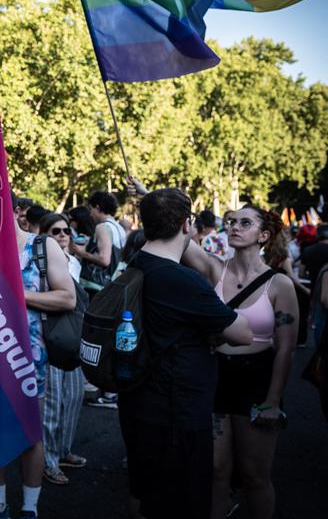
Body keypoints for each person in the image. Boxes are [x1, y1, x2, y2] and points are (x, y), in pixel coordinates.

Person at [118, 183, 252, 519]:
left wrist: (156, 201)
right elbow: (243, 334)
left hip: (138, 398)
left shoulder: (138, 261)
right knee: (180, 500)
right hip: (176, 410)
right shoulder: (182, 282)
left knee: (142, 490)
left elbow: (192, 255)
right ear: (186, 225)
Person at [179, 204, 298, 519]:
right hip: (216, 377)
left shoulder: (280, 285)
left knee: (254, 475)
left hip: (257, 381)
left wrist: (273, 400)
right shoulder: (215, 270)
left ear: (263, 235)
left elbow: (285, 349)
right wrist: (149, 197)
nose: (234, 226)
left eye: (245, 222)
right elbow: (181, 239)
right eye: (231, 221)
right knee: (216, 469)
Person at [0, 211, 76, 519]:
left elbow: (67, 298)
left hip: (30, 359)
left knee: (31, 432)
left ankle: (30, 508)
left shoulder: (41, 247)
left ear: (15, 213)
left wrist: (17, 295)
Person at [37, 213, 87, 486]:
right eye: (55, 231)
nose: (63, 235)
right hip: (51, 337)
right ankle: (49, 461)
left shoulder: (75, 263)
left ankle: (64, 450)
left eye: (66, 231)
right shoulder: (39, 262)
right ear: (44, 235)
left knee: (74, 398)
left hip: (74, 336)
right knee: (53, 405)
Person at [71, 190, 126, 296]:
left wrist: (81, 252)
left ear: (98, 207)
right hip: (114, 282)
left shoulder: (102, 227)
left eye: (91, 209)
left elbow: (104, 260)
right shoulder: (119, 228)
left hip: (96, 287)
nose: (90, 214)